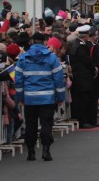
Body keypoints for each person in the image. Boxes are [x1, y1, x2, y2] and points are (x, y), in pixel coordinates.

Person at [16, 31, 66, 161]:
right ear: (44, 42)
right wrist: (60, 97)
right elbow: (59, 79)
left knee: (31, 125)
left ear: (32, 42)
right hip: (47, 98)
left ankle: (31, 152)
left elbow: (18, 81)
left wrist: (20, 97)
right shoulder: (52, 58)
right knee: (46, 124)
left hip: (30, 98)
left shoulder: (23, 58)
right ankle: (46, 151)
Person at [68, 25, 99, 129]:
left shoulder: (75, 44)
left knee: (82, 99)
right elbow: (86, 60)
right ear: (86, 35)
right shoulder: (81, 47)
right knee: (83, 100)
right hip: (82, 77)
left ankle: (84, 119)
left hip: (79, 76)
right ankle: (83, 120)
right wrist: (94, 69)